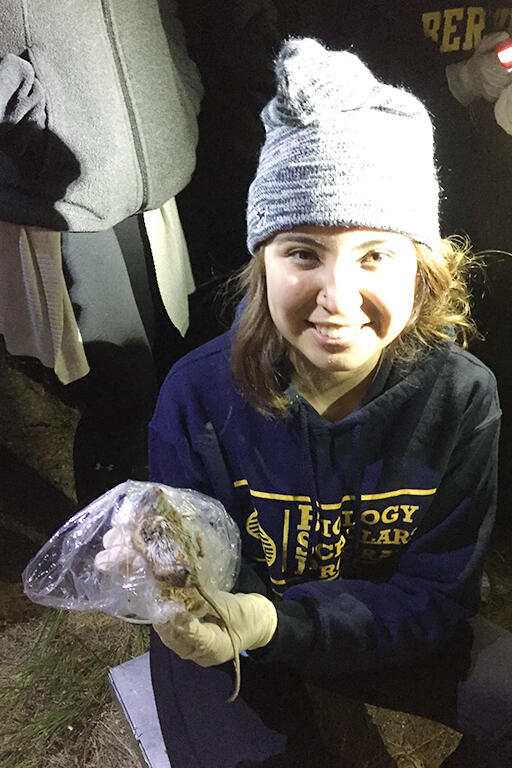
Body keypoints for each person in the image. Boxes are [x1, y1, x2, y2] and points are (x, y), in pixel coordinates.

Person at [148, 38, 508, 768]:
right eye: (303, 252)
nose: (338, 300)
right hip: (237, 643)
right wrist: (217, 612)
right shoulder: (197, 394)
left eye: (377, 253)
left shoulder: (462, 397)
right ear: (262, 263)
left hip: (385, 626)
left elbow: (439, 593)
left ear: (425, 269)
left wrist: (291, 625)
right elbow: (193, 577)